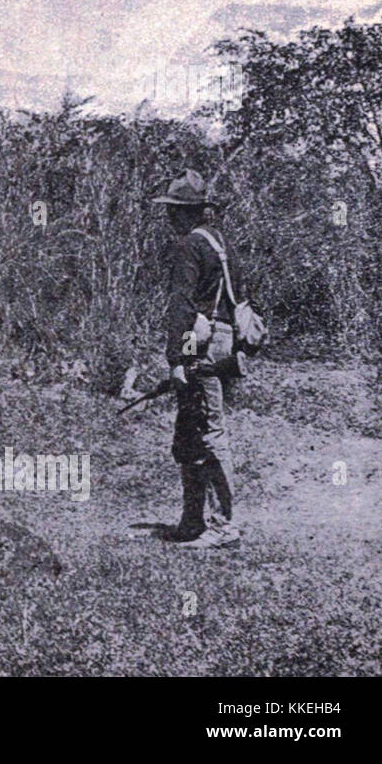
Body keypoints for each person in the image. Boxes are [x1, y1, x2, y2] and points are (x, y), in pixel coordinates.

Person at [151, 169, 245, 549]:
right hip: (223, 339)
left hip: (199, 342)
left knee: (207, 431)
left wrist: (177, 359)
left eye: (175, 210)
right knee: (191, 427)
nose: (170, 216)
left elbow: (183, 307)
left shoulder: (189, 245)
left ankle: (222, 527)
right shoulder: (222, 245)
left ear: (189, 212)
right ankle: (193, 522)